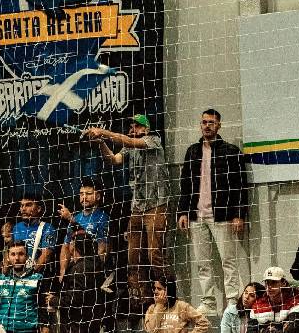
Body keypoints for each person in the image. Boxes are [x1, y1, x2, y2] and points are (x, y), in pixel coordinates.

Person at [85, 114, 170, 312]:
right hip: (137, 207)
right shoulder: (129, 147)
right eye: (131, 126)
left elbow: (130, 141)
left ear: (146, 129)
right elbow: (113, 160)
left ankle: (168, 295)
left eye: (137, 126)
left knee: (154, 254)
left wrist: (104, 132)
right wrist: (100, 142)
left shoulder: (153, 140)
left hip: (156, 204)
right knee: (133, 257)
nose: (133, 129)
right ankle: (142, 301)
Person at [177, 108, 249, 315]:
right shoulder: (192, 151)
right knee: (202, 263)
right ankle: (208, 302)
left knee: (228, 261)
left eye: (211, 122)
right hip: (197, 216)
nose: (207, 126)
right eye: (204, 122)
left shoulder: (231, 151)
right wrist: (183, 212)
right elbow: (185, 184)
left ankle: (232, 301)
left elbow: (240, 186)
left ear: (219, 125)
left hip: (222, 215)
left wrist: (239, 214)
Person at [49, 233, 106, 333]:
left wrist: (53, 300)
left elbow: (75, 299)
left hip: (78, 324)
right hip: (92, 321)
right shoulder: (94, 265)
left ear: (74, 246)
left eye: (70, 242)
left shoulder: (79, 269)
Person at [56, 176, 109, 280]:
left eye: (88, 194)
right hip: (74, 270)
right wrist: (62, 272)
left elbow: (103, 251)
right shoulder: (76, 217)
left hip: (91, 272)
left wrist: (91, 271)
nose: (84, 197)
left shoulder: (103, 218)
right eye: (81, 194)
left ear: (98, 196)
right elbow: (65, 246)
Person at [0, 241, 46, 333]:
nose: (17, 258)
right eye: (13, 254)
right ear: (8, 257)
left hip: (27, 330)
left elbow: (43, 306)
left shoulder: (37, 279)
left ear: (27, 257)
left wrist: (45, 325)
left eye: (21, 254)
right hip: (1, 330)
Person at [3, 193, 55, 274]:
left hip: (38, 275)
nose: (23, 209)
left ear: (38, 209)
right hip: (17, 276)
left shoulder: (47, 228)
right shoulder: (16, 228)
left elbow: (46, 255)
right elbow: (9, 251)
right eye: (21, 205)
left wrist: (31, 274)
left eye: (28, 205)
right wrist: (5, 272)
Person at [143, 275, 210, 333]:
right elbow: (150, 330)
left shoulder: (181, 306)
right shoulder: (152, 309)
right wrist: (159, 305)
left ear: (169, 290)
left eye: (159, 289)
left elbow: (203, 323)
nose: (155, 291)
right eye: (155, 288)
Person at [249, 267, 299, 333]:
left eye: (274, 282)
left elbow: (295, 329)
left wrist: (262, 330)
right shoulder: (257, 306)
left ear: (283, 283)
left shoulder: (294, 302)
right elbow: (250, 331)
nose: (269, 286)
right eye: (267, 282)